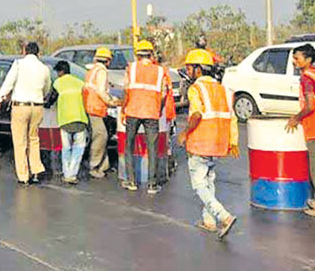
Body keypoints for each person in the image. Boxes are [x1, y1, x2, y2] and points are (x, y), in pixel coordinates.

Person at [178, 49, 239, 239]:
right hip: (218, 143)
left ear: (198, 69)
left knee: (198, 185)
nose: (187, 70)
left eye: (189, 67)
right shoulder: (223, 89)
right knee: (209, 181)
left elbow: (196, 114)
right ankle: (209, 221)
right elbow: (232, 117)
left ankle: (224, 216)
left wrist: (184, 133)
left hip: (200, 142)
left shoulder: (196, 89)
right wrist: (233, 141)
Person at [0, 42, 51, 185]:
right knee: (34, 139)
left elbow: (8, 83)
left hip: (21, 106)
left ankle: (24, 176)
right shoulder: (44, 68)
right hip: (37, 106)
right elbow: (47, 88)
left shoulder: (19, 64)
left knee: (20, 141)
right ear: (38, 53)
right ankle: (36, 171)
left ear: (24, 52)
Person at [121, 40, 170, 194]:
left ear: (137, 54)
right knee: (152, 148)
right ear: (151, 54)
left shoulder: (131, 68)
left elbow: (127, 90)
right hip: (151, 113)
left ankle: (131, 181)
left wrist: (124, 109)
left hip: (133, 111)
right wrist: (158, 109)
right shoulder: (160, 71)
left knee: (129, 146)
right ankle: (152, 184)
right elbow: (163, 94)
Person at [286, 43, 315, 218]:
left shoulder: (306, 78)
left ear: (308, 59)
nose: (294, 62)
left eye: (297, 58)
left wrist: (296, 118)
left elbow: (311, 104)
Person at [82, 47, 121, 179]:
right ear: (108, 61)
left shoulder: (92, 70)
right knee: (101, 136)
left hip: (91, 106)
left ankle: (104, 166)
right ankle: (94, 166)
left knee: (102, 135)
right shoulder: (101, 71)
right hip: (95, 108)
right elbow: (101, 92)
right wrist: (111, 101)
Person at [49, 61, 89, 184]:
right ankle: (73, 174)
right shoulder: (80, 83)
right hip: (81, 119)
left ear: (61, 72)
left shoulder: (58, 83)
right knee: (79, 148)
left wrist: (45, 105)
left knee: (66, 148)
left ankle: (67, 174)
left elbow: (51, 99)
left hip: (65, 120)